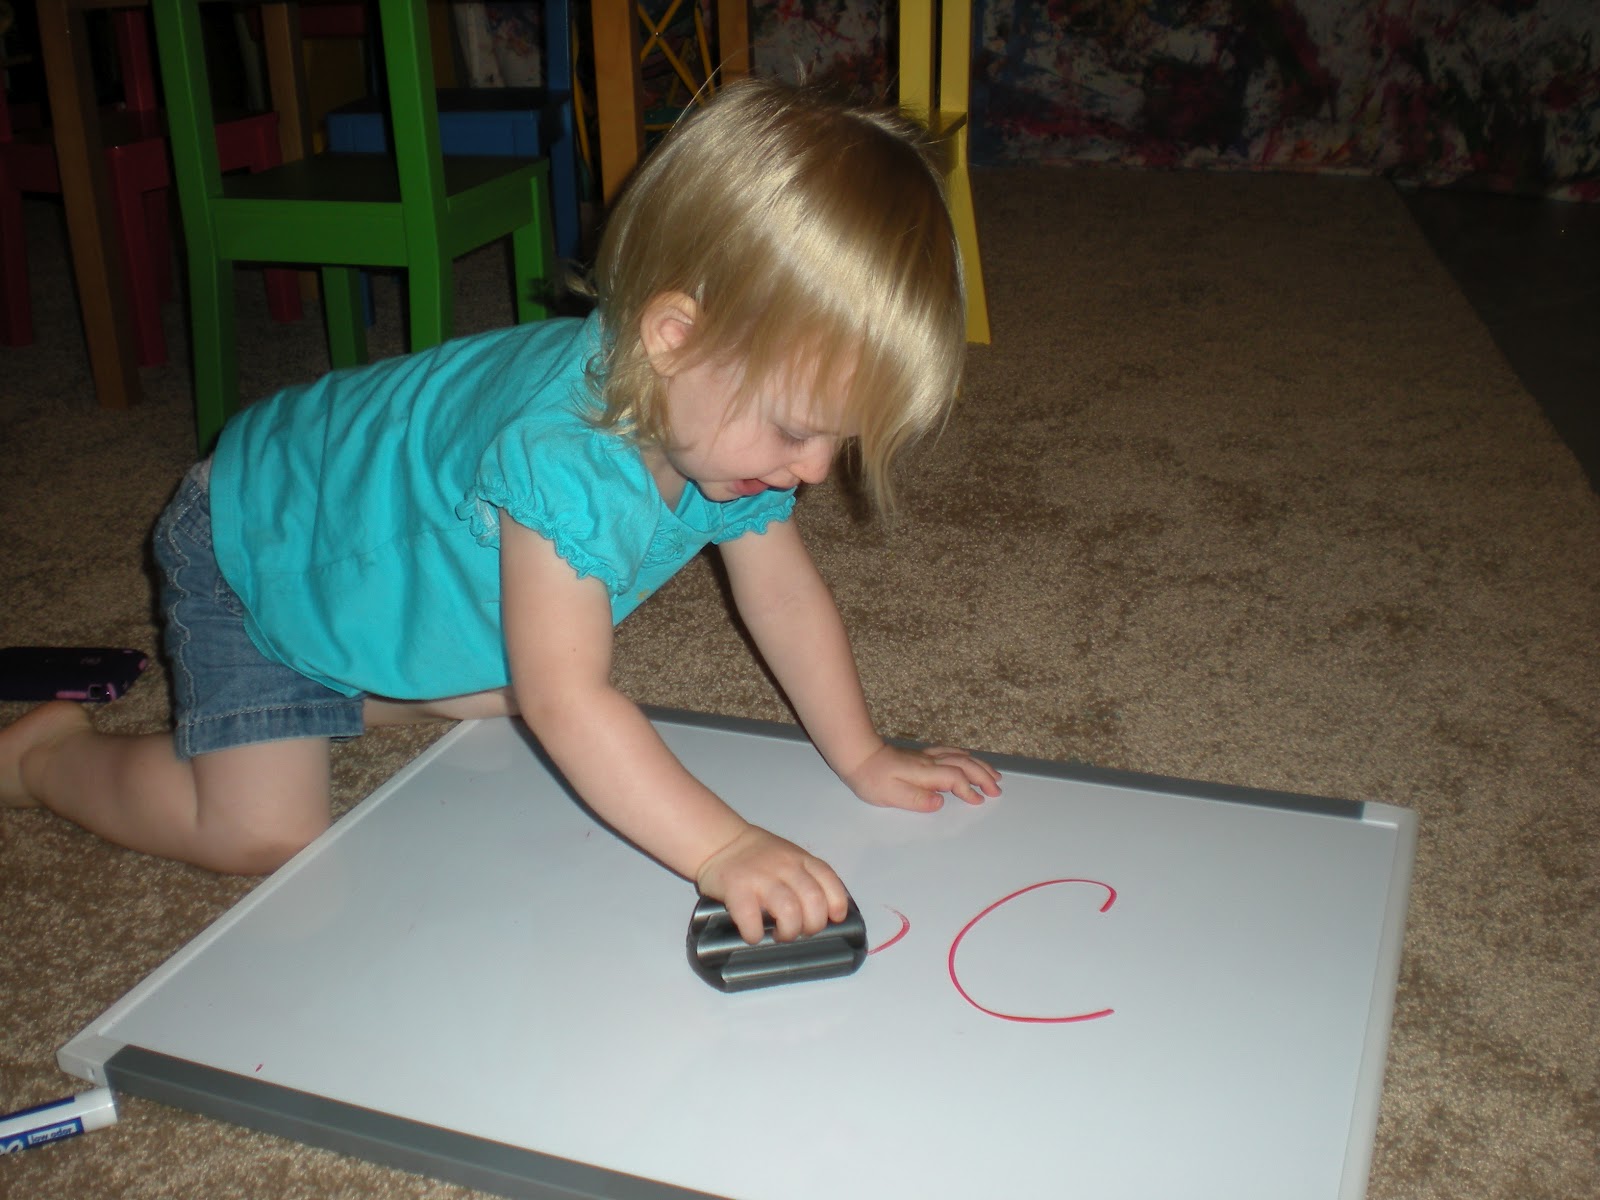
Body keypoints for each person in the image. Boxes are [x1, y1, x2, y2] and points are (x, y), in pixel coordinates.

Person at [0, 78, 1000, 944]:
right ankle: (47, 758)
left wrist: (862, 753)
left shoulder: (715, 429)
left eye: (838, 440)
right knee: (266, 834)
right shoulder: (565, 458)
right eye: (795, 429)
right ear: (673, 338)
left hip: (372, 560)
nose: (813, 471)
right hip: (259, 543)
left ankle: (360, 692)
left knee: (517, 679)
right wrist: (724, 847)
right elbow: (571, 706)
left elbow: (781, 597)